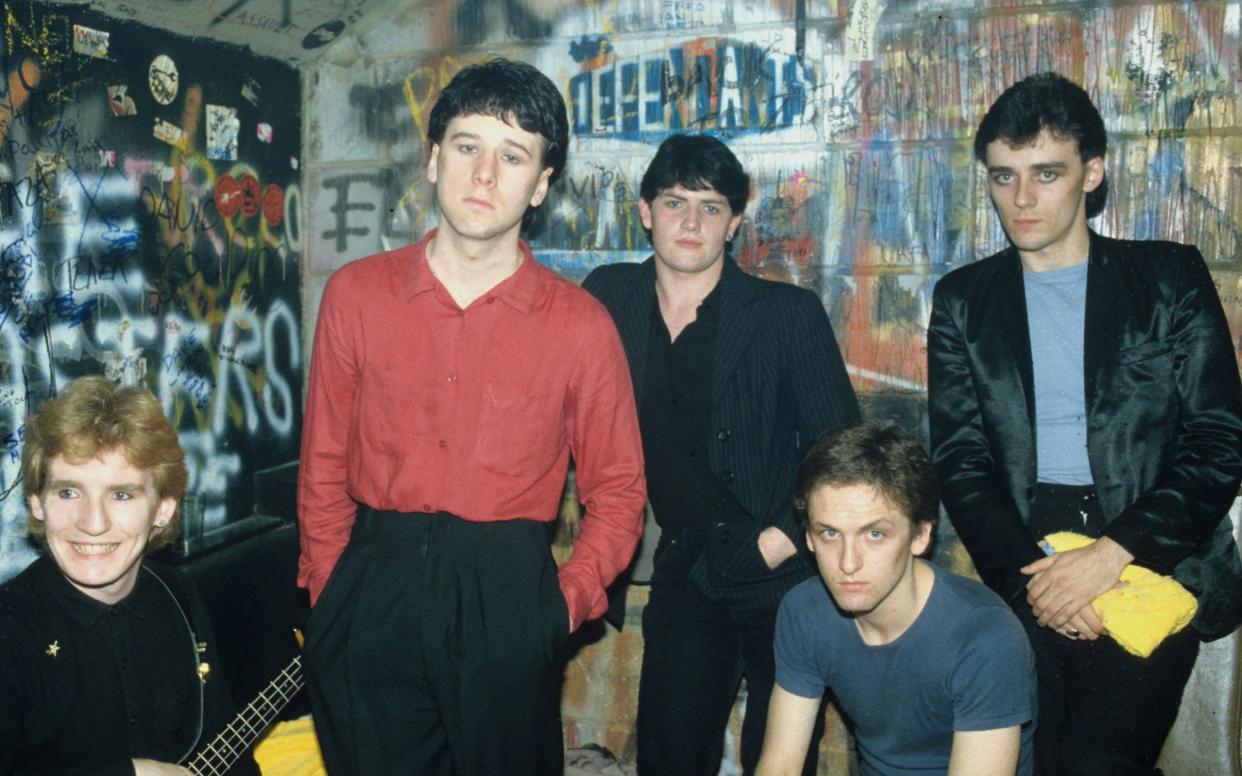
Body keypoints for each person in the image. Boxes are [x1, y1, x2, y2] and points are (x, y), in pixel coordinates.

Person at [297, 57, 647, 776]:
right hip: (373, 583)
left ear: (541, 183)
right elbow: (324, 464)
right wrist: (335, 592)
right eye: (467, 146)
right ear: (432, 160)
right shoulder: (356, 296)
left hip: (506, 595)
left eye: (512, 155)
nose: (485, 174)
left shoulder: (580, 325)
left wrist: (558, 609)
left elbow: (620, 493)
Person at [928, 71, 1242, 775]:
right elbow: (961, 460)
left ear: (1092, 173)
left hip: (1153, 551)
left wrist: (1111, 554)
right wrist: (1034, 581)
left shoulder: (1168, 278)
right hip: (1024, 551)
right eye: (1003, 177)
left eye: (1046, 173)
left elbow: (1220, 441)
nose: (1023, 198)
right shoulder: (964, 301)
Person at [583, 133, 859, 776]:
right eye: (674, 202)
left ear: (734, 222)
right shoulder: (608, 296)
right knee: (669, 755)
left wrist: (781, 541)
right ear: (646, 210)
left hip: (784, 573)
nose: (690, 222)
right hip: (688, 563)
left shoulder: (785, 313)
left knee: (780, 759)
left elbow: (844, 456)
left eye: (710, 208)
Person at [0, 376, 254, 776]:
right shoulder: (9, 630)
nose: (93, 523)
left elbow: (228, 751)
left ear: (164, 509)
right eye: (68, 492)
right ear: (37, 503)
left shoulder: (177, 594)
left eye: (122, 494)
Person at [756, 422, 1036, 776]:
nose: (848, 562)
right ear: (808, 538)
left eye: (874, 534)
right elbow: (780, 766)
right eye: (829, 533)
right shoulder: (804, 612)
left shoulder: (984, 635)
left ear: (921, 536)